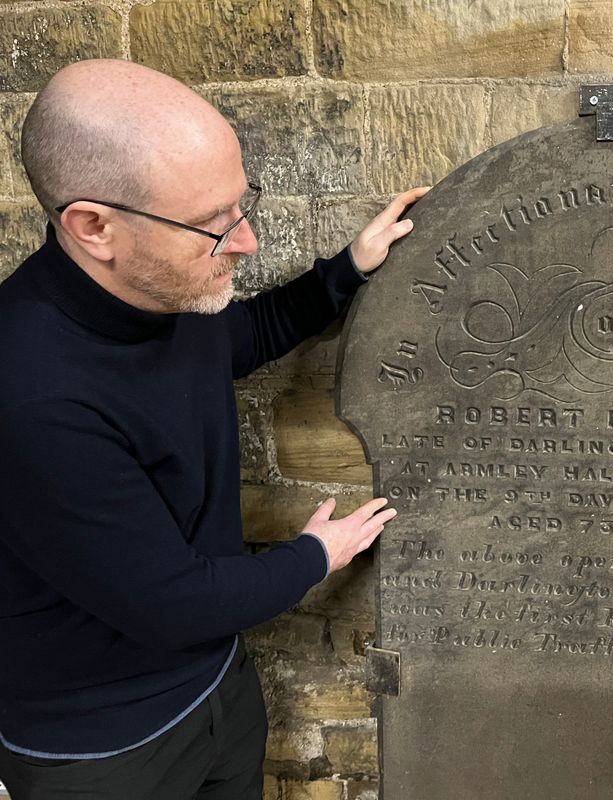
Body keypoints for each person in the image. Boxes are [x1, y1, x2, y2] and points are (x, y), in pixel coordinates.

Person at [0, 59, 427, 799]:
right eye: (211, 224)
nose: (248, 241)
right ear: (93, 226)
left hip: (216, 688)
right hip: (104, 749)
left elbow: (240, 336)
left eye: (241, 203)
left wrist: (348, 270)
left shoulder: (164, 291)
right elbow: (172, 605)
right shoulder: (32, 396)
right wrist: (314, 556)